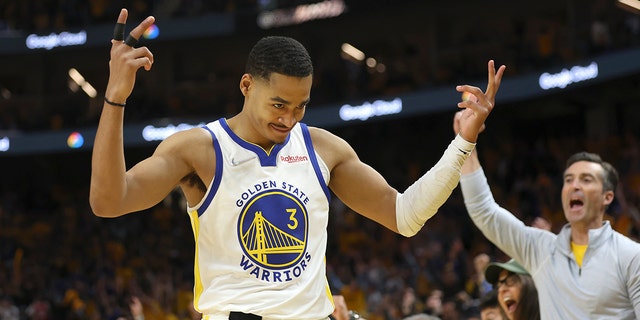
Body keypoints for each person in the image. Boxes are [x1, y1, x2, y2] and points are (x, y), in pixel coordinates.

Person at [90, 8, 506, 319]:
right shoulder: (198, 149)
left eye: (301, 106)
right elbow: (109, 201)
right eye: (278, 104)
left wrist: (463, 142)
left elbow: (406, 215)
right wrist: (116, 97)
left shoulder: (322, 148)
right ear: (246, 85)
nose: (288, 119)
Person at [453, 113, 640, 319]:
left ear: (607, 197)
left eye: (586, 180)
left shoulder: (630, 256)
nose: (574, 186)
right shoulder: (541, 249)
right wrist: (466, 141)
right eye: (568, 180)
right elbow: (483, 210)